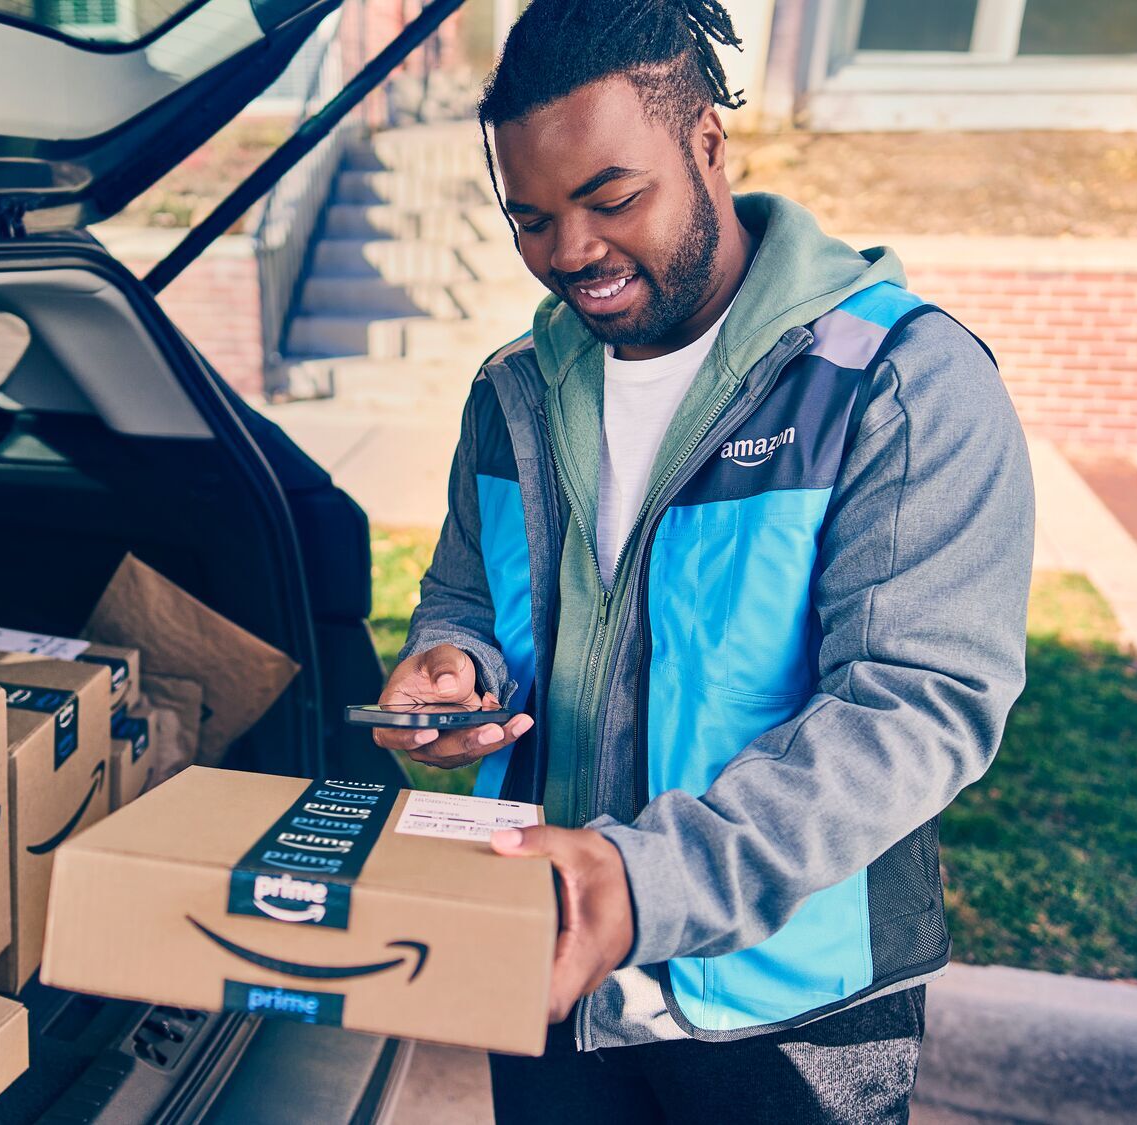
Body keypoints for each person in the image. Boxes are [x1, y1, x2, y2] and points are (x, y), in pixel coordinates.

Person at [371, 1, 1035, 1120]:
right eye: (529, 217)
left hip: (787, 1010)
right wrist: (449, 663)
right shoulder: (512, 393)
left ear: (709, 147)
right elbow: (461, 595)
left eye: (609, 199)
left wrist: (643, 885)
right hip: (540, 961)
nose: (568, 253)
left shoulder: (897, 381)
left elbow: (917, 705)